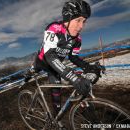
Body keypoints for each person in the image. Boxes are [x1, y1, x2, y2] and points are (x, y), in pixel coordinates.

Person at [30, 0, 103, 129]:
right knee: (47, 82)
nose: (81, 26)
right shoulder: (54, 29)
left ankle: (57, 119)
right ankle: (53, 119)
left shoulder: (77, 39)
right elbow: (50, 56)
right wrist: (73, 77)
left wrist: (89, 67)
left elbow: (73, 57)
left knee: (61, 84)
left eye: (84, 21)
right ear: (68, 18)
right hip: (43, 62)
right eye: (78, 20)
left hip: (54, 65)